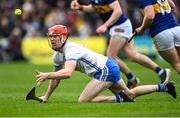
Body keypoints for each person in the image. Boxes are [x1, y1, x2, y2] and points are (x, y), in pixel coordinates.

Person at [36, 25, 176, 103]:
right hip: (109, 66)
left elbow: (67, 73)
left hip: (105, 69)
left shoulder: (71, 50)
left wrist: (46, 75)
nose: (53, 40)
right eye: (51, 37)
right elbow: (56, 78)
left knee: (84, 100)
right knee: (130, 93)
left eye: (55, 36)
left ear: (63, 37)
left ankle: (120, 99)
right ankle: (164, 87)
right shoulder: (57, 56)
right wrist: (46, 96)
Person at [70, 0, 171, 89]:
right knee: (132, 56)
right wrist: (81, 8)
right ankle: (161, 71)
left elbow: (118, 11)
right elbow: (96, 8)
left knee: (110, 56)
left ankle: (132, 79)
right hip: (120, 26)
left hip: (120, 26)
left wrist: (105, 25)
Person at [135, 0, 180, 74]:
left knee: (176, 63)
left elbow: (150, 16)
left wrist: (142, 29)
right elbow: (172, 5)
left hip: (161, 32)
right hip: (175, 28)